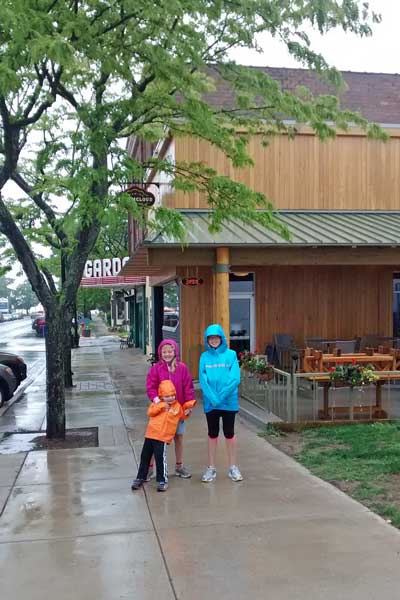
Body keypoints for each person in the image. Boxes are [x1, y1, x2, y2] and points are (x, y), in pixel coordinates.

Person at [131, 380, 196, 492]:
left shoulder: (176, 407)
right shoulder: (157, 403)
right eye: (167, 396)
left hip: (162, 438)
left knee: (161, 459)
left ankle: (162, 481)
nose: (170, 398)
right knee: (144, 457)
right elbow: (150, 412)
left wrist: (187, 410)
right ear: (161, 396)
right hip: (151, 434)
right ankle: (140, 477)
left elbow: (181, 416)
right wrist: (160, 407)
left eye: (172, 395)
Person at [199, 323, 243, 483]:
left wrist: (220, 397)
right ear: (207, 340)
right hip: (211, 403)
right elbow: (202, 380)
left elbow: (235, 378)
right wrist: (213, 398)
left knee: (229, 433)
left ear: (222, 338)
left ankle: (233, 467)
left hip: (228, 402)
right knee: (212, 434)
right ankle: (211, 468)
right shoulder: (204, 357)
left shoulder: (231, 355)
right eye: (210, 338)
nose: (214, 340)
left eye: (216, 337)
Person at [146, 339, 195, 478]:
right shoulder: (156, 368)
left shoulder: (182, 368)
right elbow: (151, 387)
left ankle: (179, 466)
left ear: (175, 352)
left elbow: (188, 387)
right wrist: (157, 401)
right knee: (157, 439)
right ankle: (150, 468)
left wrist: (189, 405)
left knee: (178, 437)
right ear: (160, 353)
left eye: (170, 351)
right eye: (164, 351)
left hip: (177, 411)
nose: (167, 354)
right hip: (161, 412)